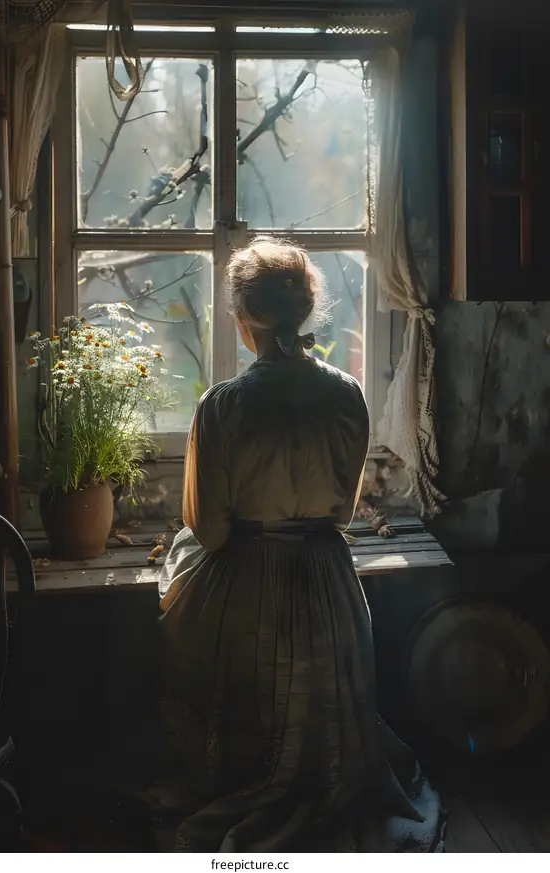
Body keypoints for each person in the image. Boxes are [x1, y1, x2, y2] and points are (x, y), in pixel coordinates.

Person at [149, 238, 445, 852]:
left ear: (241, 318)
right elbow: (340, 511)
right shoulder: (345, 394)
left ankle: (238, 782)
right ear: (305, 313)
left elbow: (209, 530)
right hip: (326, 583)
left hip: (249, 583)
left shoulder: (223, 405)